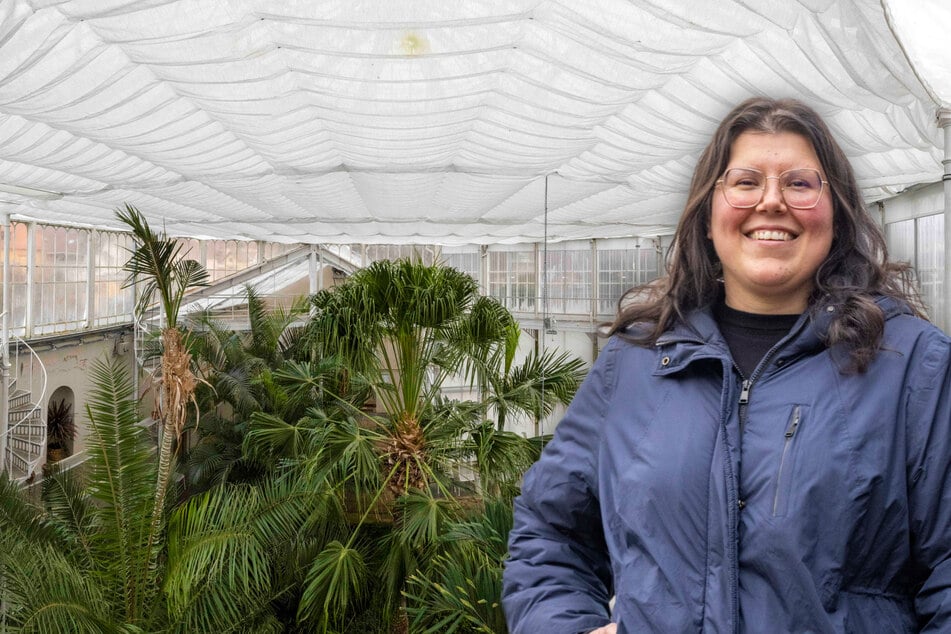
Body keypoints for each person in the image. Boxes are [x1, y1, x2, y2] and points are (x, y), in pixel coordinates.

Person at [501, 96, 951, 633]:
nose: (771, 202)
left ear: (838, 213)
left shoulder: (910, 364)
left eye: (800, 184)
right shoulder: (639, 361)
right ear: (709, 215)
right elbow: (550, 530)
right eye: (745, 182)